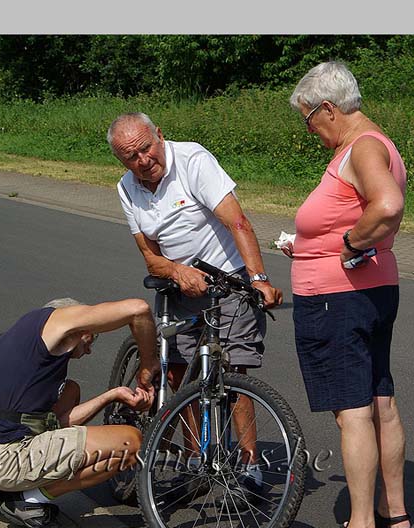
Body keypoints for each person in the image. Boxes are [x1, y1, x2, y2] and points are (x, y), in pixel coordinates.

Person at [106, 112, 283, 502]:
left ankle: (251, 464)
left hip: (228, 279)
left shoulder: (193, 161)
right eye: (130, 156)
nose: (142, 161)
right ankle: (194, 460)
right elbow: (150, 257)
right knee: (180, 372)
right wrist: (176, 270)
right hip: (178, 287)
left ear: (160, 137)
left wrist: (258, 278)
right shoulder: (127, 188)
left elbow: (238, 222)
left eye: (146, 148)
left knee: (234, 372)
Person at [282, 61, 411, 528]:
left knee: (352, 411)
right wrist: (319, 243)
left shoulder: (363, 148)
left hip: (339, 298)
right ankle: (392, 510)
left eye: (309, 119)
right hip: (372, 289)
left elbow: (386, 205)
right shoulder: (378, 144)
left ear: (328, 109)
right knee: (381, 399)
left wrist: (347, 244)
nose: (310, 130)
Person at [0, 297, 158, 528]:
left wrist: (111, 395)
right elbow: (139, 309)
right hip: (1, 456)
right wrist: (148, 365)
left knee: (70, 390)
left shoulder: (27, 340)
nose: (90, 349)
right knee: (131, 443)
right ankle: (28, 501)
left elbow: (59, 423)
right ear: (78, 327)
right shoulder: (57, 322)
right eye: (91, 337)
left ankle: (15, 490)